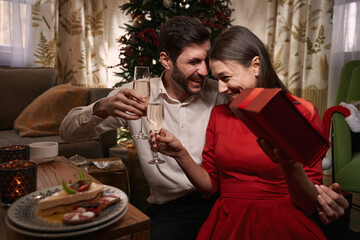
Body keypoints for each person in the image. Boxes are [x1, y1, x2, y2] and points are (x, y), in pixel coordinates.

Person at [60, 16, 348, 239]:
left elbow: (305, 177)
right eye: (193, 62)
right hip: (179, 206)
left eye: (207, 61)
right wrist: (101, 107)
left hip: (223, 200)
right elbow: (68, 133)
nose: (205, 72)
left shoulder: (223, 95)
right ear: (166, 60)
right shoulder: (137, 95)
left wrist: (317, 191)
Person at [149, 25, 349, 239]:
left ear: (255, 65)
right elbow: (210, 186)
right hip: (227, 219)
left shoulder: (300, 111)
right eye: (217, 79)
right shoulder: (220, 114)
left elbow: (309, 201)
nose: (221, 89)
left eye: (226, 77)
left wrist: (288, 164)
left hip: (283, 217)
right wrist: (180, 152)